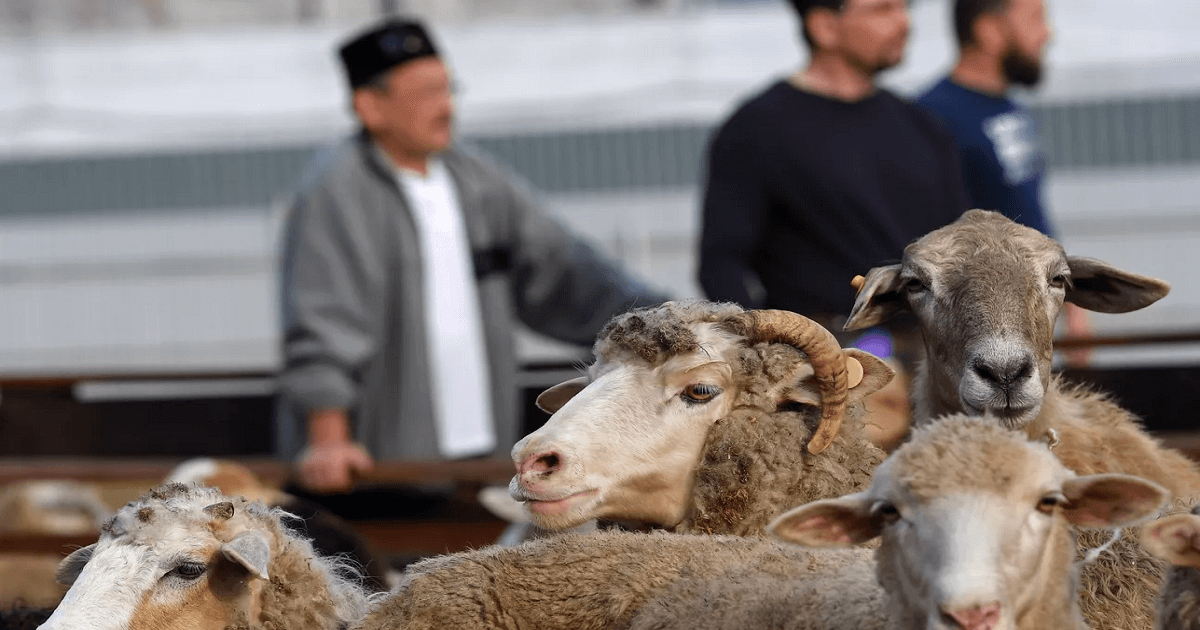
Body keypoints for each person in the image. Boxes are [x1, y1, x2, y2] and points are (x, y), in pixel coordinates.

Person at [277, 18, 667, 494]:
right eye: (425, 94)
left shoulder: (476, 180)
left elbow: (565, 269)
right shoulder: (336, 189)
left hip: (482, 457)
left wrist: (660, 324)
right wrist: (328, 440)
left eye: (448, 89)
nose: (445, 107)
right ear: (370, 106)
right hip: (379, 467)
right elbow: (323, 324)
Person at [697, 0, 969, 450]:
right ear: (824, 26)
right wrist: (772, 365)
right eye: (882, 9)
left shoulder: (923, 128)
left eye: (904, 8)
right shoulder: (757, 129)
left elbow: (961, 250)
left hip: (931, 365)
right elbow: (721, 263)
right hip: (818, 374)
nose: (903, 22)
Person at [915, 0, 1092, 360]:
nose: (1046, 34)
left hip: (1025, 325)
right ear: (989, 31)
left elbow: (1028, 213)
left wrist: (1070, 302)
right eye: (1034, 19)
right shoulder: (933, 119)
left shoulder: (1010, 107)